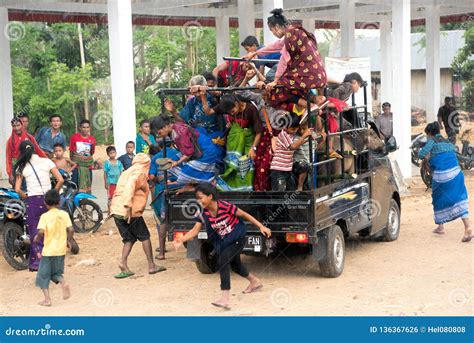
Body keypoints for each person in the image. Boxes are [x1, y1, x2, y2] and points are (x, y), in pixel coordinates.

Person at [173, 183, 271, 310]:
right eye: (197, 198)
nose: (198, 201)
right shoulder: (202, 212)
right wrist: (181, 239)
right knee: (236, 266)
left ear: (210, 196)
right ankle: (255, 282)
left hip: (237, 236)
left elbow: (244, 215)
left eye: (200, 198)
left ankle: (225, 298)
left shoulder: (225, 206)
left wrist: (261, 226)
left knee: (222, 262)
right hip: (223, 240)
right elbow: (194, 231)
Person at [245, 8, 327, 112]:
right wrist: (256, 53)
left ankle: (309, 106)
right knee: (289, 85)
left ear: (277, 27)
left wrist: (275, 80)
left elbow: (284, 60)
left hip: (309, 75)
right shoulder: (294, 32)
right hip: (319, 75)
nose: (273, 33)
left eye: (272, 30)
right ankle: (317, 99)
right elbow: (276, 45)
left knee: (278, 90)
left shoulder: (290, 36)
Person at [110, 153, 166, 278]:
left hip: (116, 210)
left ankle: (123, 264)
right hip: (130, 211)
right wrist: (128, 205)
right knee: (145, 236)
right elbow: (130, 186)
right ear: (146, 163)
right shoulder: (139, 172)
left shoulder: (126, 171)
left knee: (129, 239)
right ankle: (151, 266)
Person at [14, 141, 64, 271]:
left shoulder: (21, 166)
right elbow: (61, 180)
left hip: (33, 202)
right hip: (48, 201)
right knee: (51, 231)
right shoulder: (46, 161)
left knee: (36, 232)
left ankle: (39, 263)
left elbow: (17, 189)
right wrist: (53, 194)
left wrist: (26, 197)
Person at [418, 122, 471, 242]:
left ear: (430, 133)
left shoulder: (431, 141)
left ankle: (441, 226)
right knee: (460, 199)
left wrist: (426, 157)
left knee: (437, 198)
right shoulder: (447, 142)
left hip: (442, 176)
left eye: (427, 135)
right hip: (457, 174)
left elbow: (421, 154)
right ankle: (467, 227)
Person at [151, 116, 223, 185]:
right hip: (197, 150)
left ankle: (206, 181)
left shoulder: (180, 132)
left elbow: (189, 153)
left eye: (159, 133)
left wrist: (177, 162)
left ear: (165, 126)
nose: (159, 135)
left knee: (187, 170)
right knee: (174, 159)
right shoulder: (174, 129)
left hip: (206, 152)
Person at [212, 93, 263, 191]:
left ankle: (245, 192)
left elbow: (259, 132)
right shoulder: (232, 111)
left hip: (249, 144)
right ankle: (232, 192)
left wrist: (253, 148)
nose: (232, 114)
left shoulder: (251, 109)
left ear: (236, 103)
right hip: (234, 146)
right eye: (229, 113)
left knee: (247, 169)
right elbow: (209, 111)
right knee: (232, 169)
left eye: (232, 111)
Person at [34, 189, 73, 306]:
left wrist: (36, 239)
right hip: (61, 250)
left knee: (43, 275)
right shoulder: (64, 214)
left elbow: (41, 232)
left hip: (48, 251)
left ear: (45, 203)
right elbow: (71, 229)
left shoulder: (44, 216)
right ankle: (63, 282)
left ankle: (47, 300)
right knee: (56, 273)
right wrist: (68, 241)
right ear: (59, 202)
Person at [164, 75, 224, 140]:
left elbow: (219, 93)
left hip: (215, 135)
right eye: (194, 90)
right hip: (198, 137)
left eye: (198, 89)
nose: (197, 93)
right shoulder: (191, 103)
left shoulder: (213, 97)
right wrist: (173, 111)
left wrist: (202, 90)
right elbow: (183, 121)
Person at [149, 145, 180, 260]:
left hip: (162, 191)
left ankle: (162, 252)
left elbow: (152, 176)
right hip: (179, 189)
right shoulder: (180, 155)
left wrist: (159, 180)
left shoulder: (156, 157)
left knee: (162, 221)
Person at [270, 113, 314, 191]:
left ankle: (298, 192)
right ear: (285, 127)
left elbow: (298, 142)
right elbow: (293, 146)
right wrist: (304, 136)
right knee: (280, 192)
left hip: (287, 168)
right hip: (278, 169)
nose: (295, 131)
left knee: (291, 189)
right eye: (292, 129)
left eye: (296, 129)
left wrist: (308, 137)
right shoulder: (283, 134)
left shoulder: (291, 134)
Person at [6, 117, 47, 187]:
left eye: (18, 125)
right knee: (18, 189)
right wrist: (10, 174)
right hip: (17, 167)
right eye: (14, 126)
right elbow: (8, 159)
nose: (16, 128)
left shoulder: (30, 137)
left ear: (22, 125)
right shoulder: (10, 141)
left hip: (29, 165)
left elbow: (38, 151)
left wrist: (48, 161)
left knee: (29, 187)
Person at [69, 119, 96, 193]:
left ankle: (84, 203)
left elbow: (91, 153)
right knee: (74, 186)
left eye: (87, 127)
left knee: (87, 185)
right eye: (84, 127)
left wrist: (84, 159)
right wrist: (73, 162)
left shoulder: (92, 139)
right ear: (80, 128)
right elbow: (71, 151)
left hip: (87, 167)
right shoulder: (74, 137)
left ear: (90, 128)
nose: (85, 129)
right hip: (76, 166)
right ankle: (74, 203)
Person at [104, 146, 124, 213]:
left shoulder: (119, 163)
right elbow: (105, 173)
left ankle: (118, 211)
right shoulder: (107, 163)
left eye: (113, 152)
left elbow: (121, 172)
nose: (112, 154)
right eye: (111, 153)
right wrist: (106, 183)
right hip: (111, 183)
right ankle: (110, 212)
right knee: (110, 197)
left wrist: (122, 182)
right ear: (108, 154)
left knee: (118, 197)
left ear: (116, 153)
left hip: (118, 183)